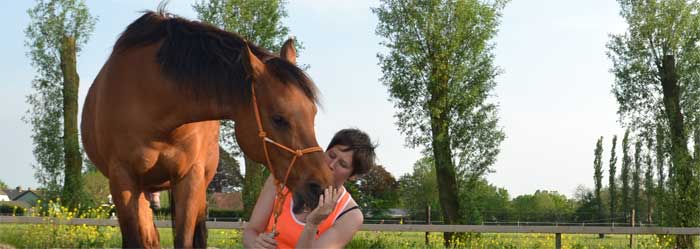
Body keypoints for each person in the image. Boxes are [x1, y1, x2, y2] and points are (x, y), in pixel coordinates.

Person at [243, 128, 377, 249]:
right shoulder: (281, 179)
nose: (331, 165)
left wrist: (312, 224)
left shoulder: (349, 215)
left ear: (353, 176)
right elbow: (250, 231)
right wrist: (256, 243)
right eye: (331, 155)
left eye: (342, 164)